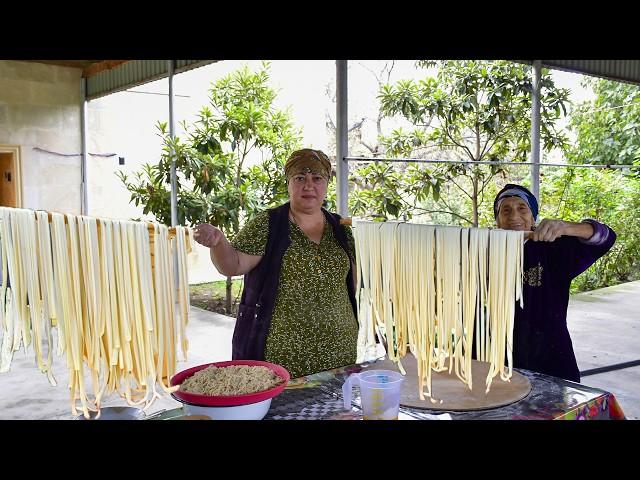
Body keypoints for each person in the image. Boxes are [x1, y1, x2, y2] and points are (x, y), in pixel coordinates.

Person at [193, 148, 358, 379]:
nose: (309, 185)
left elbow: (356, 278)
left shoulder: (342, 228)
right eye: (300, 178)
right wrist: (219, 243)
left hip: (340, 351)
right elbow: (233, 265)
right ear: (288, 183)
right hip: (280, 356)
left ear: (327, 184)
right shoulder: (267, 224)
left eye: (317, 178)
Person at [493, 183, 616, 382]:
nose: (514, 216)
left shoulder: (553, 248)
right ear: (497, 221)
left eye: (522, 208)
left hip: (549, 352)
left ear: (533, 217)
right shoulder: (481, 251)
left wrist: (566, 227)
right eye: (505, 210)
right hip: (492, 352)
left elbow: (607, 237)